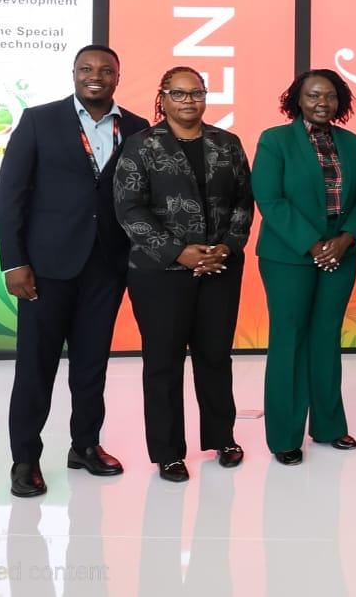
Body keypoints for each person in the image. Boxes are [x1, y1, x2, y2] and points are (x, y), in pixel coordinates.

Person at [0, 45, 150, 497]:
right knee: (35, 367)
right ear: (74, 73)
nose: (95, 75)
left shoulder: (137, 128)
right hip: (46, 267)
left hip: (107, 266)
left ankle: (85, 445)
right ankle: (25, 459)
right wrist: (14, 262)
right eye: (86, 68)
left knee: (92, 364)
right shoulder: (39, 121)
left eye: (106, 69)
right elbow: (10, 196)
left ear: (118, 76)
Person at [114, 66, 254, 482]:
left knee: (215, 357)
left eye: (196, 93)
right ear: (163, 98)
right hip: (159, 273)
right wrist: (178, 252)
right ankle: (168, 452)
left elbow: (244, 200)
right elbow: (129, 207)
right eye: (179, 93)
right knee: (163, 362)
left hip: (219, 267)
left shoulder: (227, 143)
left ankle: (222, 438)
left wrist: (227, 246)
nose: (189, 101)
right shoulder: (141, 145)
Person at [252, 69, 356, 465]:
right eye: (313, 96)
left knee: (326, 337)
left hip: (340, 253)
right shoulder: (275, 140)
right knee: (289, 340)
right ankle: (285, 437)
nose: (322, 103)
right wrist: (314, 244)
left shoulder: (350, 142)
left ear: (341, 102)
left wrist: (345, 239)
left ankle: (328, 426)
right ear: (297, 100)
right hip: (289, 256)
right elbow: (270, 200)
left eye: (330, 96)